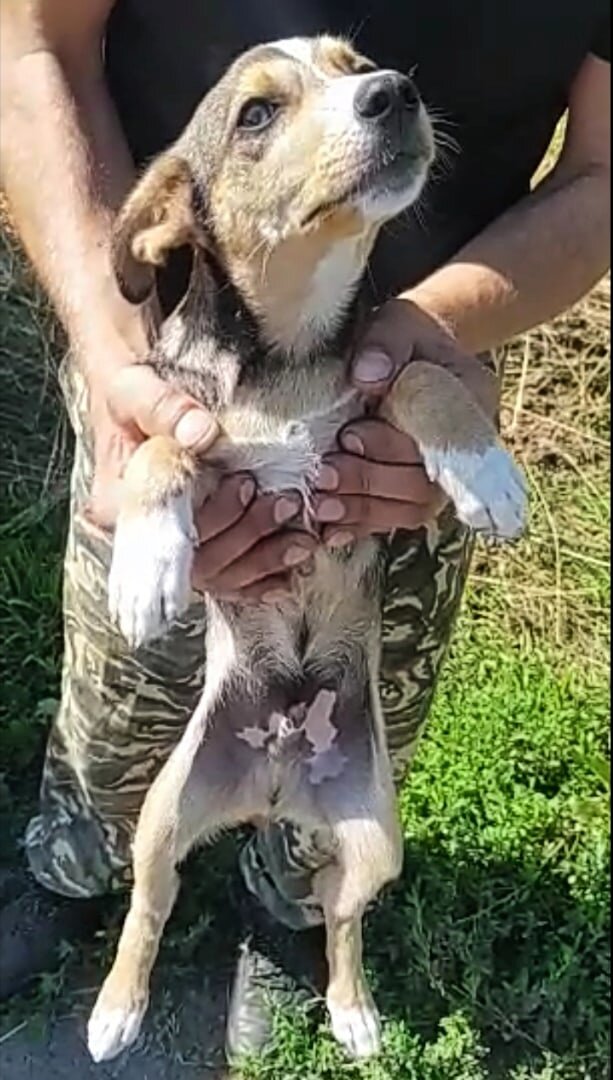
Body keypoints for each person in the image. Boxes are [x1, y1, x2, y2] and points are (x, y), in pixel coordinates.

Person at [0, 0, 610, 1061]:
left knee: (368, 738)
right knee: (115, 695)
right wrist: (113, 363)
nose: (381, 94)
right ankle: (78, 866)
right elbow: (31, 43)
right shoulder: (162, 242)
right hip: (156, 359)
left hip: (420, 387)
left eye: (367, 76)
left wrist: (434, 346)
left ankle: (290, 909)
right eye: (273, 109)